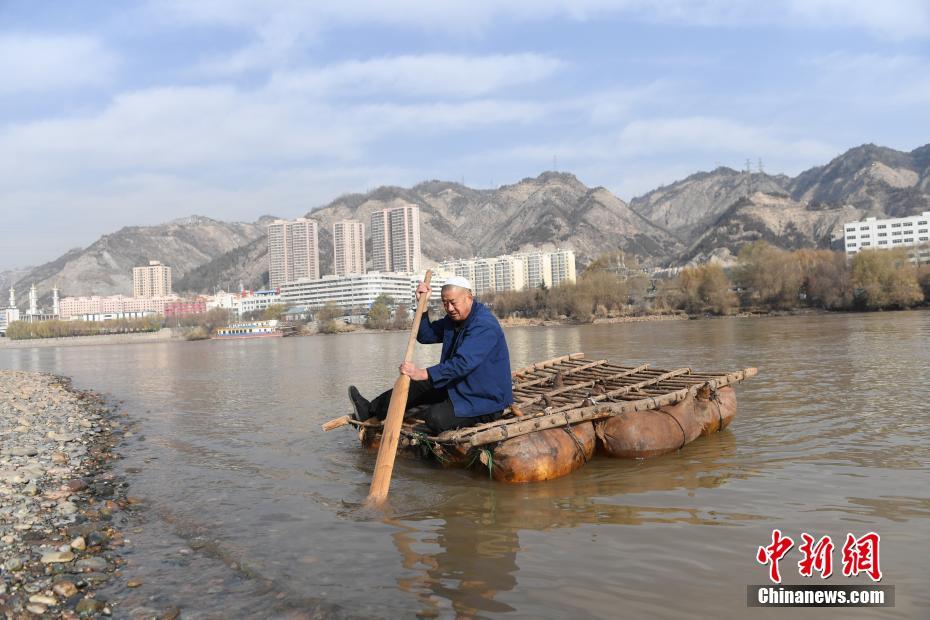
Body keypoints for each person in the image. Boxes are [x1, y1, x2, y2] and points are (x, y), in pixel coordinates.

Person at [348, 275, 512, 435]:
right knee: (415, 387)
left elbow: (462, 363)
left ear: (469, 298)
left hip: (483, 397)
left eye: (453, 303)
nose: (449, 308)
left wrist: (423, 373)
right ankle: (369, 409)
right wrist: (423, 305)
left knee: (435, 418)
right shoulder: (452, 319)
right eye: (445, 303)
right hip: (456, 384)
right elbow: (426, 335)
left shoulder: (484, 324)